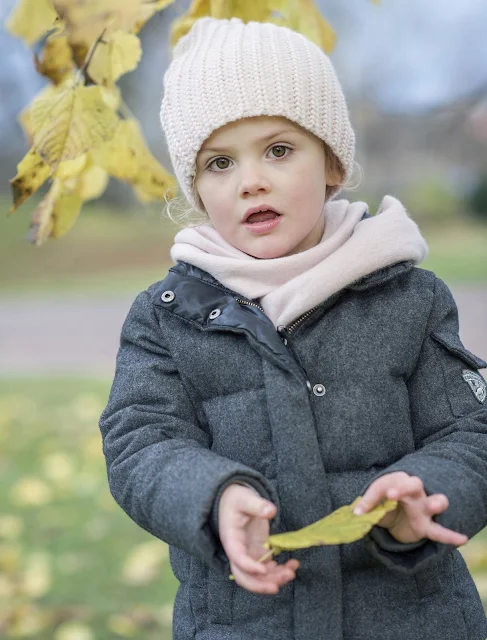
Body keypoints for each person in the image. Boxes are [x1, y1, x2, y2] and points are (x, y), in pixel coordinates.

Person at [98, 16, 487, 640]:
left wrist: (432, 493)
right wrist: (213, 499)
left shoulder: (411, 298)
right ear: (196, 189)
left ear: (332, 162)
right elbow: (139, 441)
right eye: (219, 162)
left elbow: (472, 431)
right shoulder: (168, 315)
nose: (251, 179)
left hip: (414, 619)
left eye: (278, 150)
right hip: (241, 622)